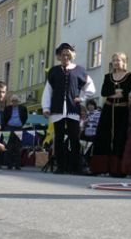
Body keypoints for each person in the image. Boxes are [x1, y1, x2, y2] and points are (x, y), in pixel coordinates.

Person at [41, 43, 96, 175]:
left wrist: (82, 98)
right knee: (59, 138)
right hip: (57, 109)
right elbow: (48, 91)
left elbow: (91, 88)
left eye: (68, 55)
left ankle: (75, 167)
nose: (65, 57)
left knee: (74, 138)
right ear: (59, 56)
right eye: (63, 55)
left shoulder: (79, 70)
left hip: (72, 109)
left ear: (71, 56)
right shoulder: (54, 71)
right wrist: (46, 107)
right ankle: (61, 166)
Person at [90, 53, 131, 176]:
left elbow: (124, 93)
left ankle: (117, 169)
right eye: (114, 60)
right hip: (108, 109)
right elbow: (104, 92)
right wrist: (116, 92)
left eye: (118, 60)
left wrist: (115, 93)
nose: (116, 62)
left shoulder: (130, 76)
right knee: (103, 136)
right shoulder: (108, 77)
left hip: (122, 110)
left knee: (120, 137)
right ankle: (100, 168)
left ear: (124, 62)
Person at [1, 95, 28, 170]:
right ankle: (9, 164)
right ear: (11, 102)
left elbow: (25, 117)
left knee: (18, 147)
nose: (14, 102)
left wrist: (21, 124)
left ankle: (17, 165)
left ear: (18, 101)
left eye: (16, 101)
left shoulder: (23, 108)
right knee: (9, 147)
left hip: (19, 128)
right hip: (10, 127)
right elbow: (4, 118)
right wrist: (6, 127)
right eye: (13, 101)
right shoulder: (7, 108)